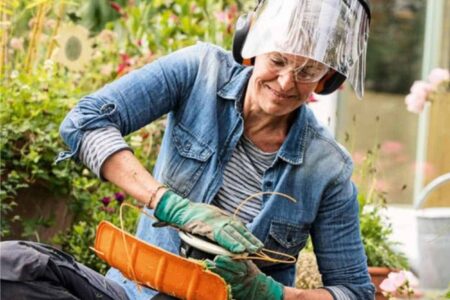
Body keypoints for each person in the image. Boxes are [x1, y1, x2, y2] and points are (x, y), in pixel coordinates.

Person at [1, 0, 375, 299]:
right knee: (13, 264)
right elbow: (85, 121)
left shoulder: (327, 169)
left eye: (307, 72)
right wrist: (169, 205)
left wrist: (272, 293)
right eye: (278, 60)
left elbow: (354, 291)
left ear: (328, 79)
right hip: (132, 293)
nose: (285, 82)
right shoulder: (200, 71)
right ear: (252, 46)